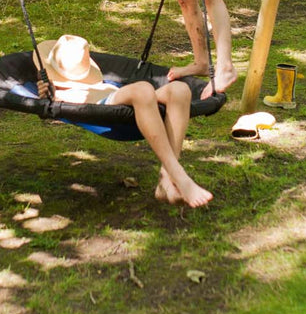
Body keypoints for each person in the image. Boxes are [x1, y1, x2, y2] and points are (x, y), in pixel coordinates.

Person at [35, 34, 212, 208]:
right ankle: (179, 175)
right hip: (106, 109)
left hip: (132, 102)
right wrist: (48, 93)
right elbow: (47, 101)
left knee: (180, 90)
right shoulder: (59, 92)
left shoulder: (98, 83)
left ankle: (166, 180)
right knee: (143, 89)